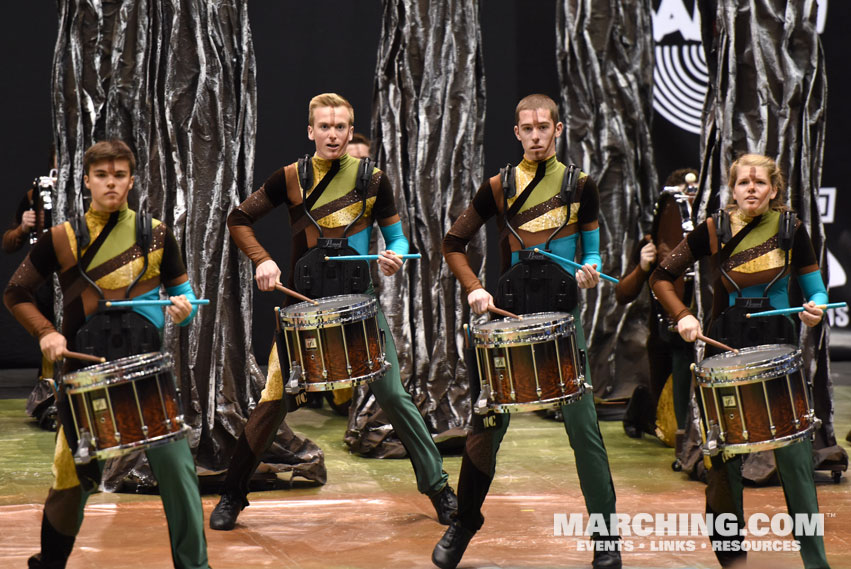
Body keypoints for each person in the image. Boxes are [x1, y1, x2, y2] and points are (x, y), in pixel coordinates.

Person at [210, 92, 457, 531]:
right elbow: (237, 219)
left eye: (341, 126)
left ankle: (440, 489)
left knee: (394, 397)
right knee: (273, 402)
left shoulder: (373, 179)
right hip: (302, 309)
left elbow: (398, 239)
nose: (333, 134)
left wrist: (394, 256)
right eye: (325, 126)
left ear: (349, 129)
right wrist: (262, 260)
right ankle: (232, 495)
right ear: (311, 131)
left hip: (360, 309)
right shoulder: (290, 177)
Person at [435, 94, 621, 569]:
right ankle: (464, 525)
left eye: (544, 127)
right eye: (528, 128)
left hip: (562, 320)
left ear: (558, 130)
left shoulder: (581, 186)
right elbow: (453, 243)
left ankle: (606, 539)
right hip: (510, 320)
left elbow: (593, 251)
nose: (536, 135)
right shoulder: (497, 186)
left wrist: (591, 268)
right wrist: (475, 287)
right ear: (516, 133)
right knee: (486, 428)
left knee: (585, 433)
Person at [4, 140, 210, 569]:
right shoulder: (61, 238)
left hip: (146, 377)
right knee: (70, 478)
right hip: (84, 379)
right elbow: (16, 292)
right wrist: (46, 332)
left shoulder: (157, 234)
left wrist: (184, 311)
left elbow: (184, 299)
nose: (111, 183)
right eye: (102, 175)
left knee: (178, 473)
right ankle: (51, 562)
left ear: (131, 181)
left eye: (119, 175)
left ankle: (196, 567)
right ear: (86, 181)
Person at [650, 153, 830, 568]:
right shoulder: (713, 229)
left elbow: (816, 290)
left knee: (796, 466)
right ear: (733, 189)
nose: (752, 188)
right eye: (744, 182)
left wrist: (815, 308)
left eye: (760, 183)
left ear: (774, 189)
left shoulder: (791, 229)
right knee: (723, 465)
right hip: (724, 360)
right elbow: (661, 277)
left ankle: (815, 562)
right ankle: (733, 561)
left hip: (779, 360)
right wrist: (684, 316)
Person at [617, 168, 698, 469]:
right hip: (664, 340)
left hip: (697, 333)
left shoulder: (708, 235)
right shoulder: (656, 238)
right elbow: (622, 295)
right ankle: (641, 407)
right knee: (664, 422)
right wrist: (643, 266)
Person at [3, 150, 60, 430]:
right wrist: (23, 228)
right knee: (50, 334)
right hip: (45, 278)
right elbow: (8, 242)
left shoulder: (92, 191)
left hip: (82, 276)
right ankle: (50, 402)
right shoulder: (35, 194)